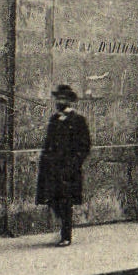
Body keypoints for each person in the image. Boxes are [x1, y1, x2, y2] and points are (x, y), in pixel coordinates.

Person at [36, 84, 91, 245]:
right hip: (52, 169)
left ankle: (66, 236)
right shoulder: (54, 119)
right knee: (52, 199)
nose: (59, 101)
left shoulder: (78, 120)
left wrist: (73, 164)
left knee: (66, 202)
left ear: (68, 101)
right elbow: (48, 143)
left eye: (62, 98)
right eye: (57, 98)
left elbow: (85, 146)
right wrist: (45, 161)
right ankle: (63, 228)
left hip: (68, 170)